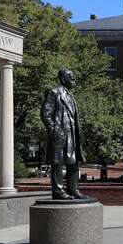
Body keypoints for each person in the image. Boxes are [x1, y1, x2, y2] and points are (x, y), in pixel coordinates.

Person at [40, 68, 87, 200]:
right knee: (58, 163)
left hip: (71, 133)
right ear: (63, 79)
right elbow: (45, 113)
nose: (74, 81)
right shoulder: (54, 92)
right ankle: (58, 191)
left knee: (74, 162)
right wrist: (54, 130)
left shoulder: (71, 96)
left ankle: (73, 189)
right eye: (71, 78)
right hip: (60, 134)